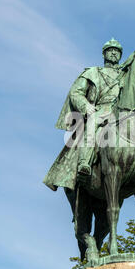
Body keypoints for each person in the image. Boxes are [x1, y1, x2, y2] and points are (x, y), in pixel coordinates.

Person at [43, 38, 123, 191]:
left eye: (117, 51)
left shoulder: (125, 74)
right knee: (92, 124)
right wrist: (86, 106)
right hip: (100, 110)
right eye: (110, 50)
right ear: (104, 54)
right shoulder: (93, 72)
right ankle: (84, 163)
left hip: (122, 112)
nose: (114, 53)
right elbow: (76, 92)